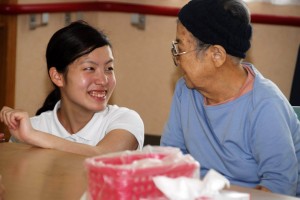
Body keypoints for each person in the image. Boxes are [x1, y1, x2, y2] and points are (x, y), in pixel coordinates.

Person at [160, 0, 300, 197]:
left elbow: (279, 188)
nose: (177, 57)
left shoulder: (265, 106)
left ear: (216, 55)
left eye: (180, 47)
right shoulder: (185, 91)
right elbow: (171, 158)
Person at [0, 21, 144, 156]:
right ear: (57, 77)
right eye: (89, 68)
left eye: (109, 68)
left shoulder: (125, 120)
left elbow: (102, 155)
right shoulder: (33, 127)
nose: (103, 80)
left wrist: (33, 136)